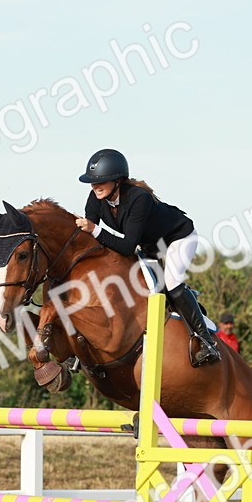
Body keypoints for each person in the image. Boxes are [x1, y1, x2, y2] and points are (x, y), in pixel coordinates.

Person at [74, 148, 220, 366]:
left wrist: (94, 229)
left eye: (100, 181)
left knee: (171, 283)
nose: (95, 186)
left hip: (178, 238)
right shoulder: (96, 197)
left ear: (117, 180)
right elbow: (91, 235)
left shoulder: (138, 198)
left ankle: (206, 342)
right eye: (92, 182)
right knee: (144, 287)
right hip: (150, 244)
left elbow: (125, 245)